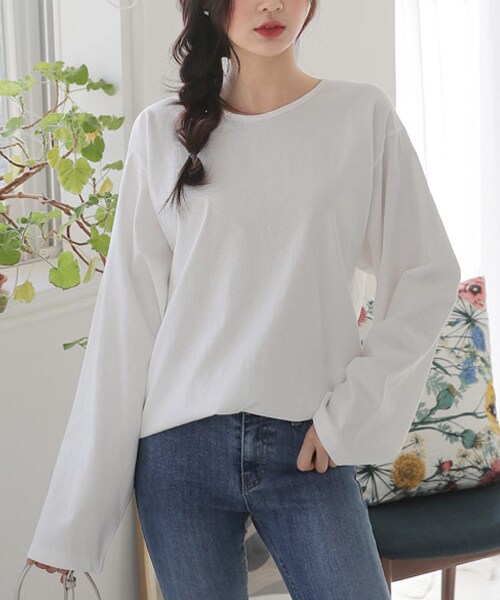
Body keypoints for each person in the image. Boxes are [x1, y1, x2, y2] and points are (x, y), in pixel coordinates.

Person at [26, 0, 461, 598]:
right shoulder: (160, 132)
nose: (270, 4)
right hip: (179, 452)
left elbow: (426, 274)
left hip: (307, 443)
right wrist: (69, 526)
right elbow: (126, 321)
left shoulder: (360, 117)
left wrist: (352, 415)